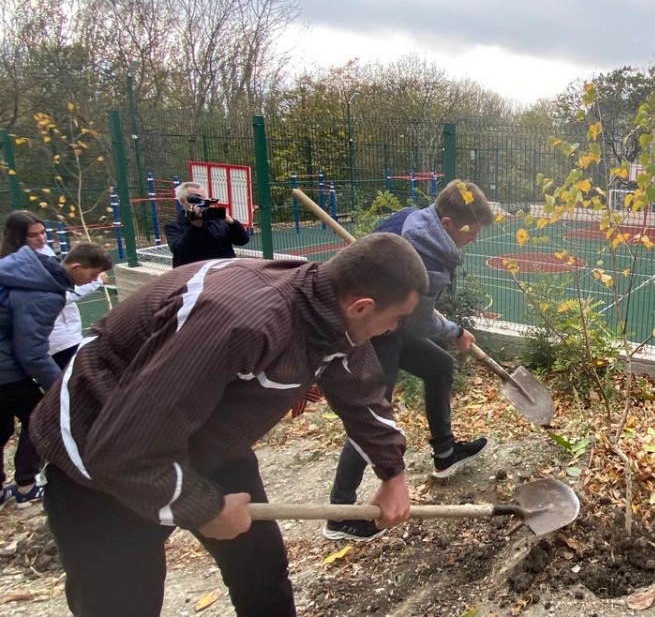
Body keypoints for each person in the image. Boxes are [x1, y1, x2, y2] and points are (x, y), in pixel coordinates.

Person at [29, 233, 428, 616]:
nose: (392, 331)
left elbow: (361, 393)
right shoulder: (241, 321)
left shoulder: (328, 315)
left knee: (262, 570)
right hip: (101, 463)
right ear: (360, 306)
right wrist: (203, 507)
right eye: (395, 320)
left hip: (203, 439)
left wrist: (393, 473)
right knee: (122, 603)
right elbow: (125, 450)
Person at [324, 179, 495, 542]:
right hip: (375, 332)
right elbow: (421, 321)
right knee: (373, 415)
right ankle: (339, 512)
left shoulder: (411, 219)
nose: (474, 239)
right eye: (471, 232)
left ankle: (445, 453)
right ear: (447, 224)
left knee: (439, 366)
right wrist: (456, 331)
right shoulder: (430, 258)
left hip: (394, 327)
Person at [0, 231, 111, 509]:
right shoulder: (44, 295)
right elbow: (33, 353)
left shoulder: (25, 269)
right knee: (38, 417)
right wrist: (63, 388)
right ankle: (26, 486)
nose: (93, 281)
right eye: (92, 274)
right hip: (5, 367)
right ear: (75, 267)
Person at [1, 211, 109, 369]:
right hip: (54, 337)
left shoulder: (45, 252)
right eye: (33, 235)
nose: (41, 238)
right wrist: (95, 282)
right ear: (18, 237)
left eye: (43, 232)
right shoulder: (19, 268)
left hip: (68, 331)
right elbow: (58, 297)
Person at [164, 181, 250, 267]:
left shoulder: (217, 220)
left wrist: (232, 222)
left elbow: (242, 240)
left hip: (224, 272)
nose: (201, 204)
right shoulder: (173, 225)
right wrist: (195, 226)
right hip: (193, 273)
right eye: (196, 199)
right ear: (183, 201)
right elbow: (180, 251)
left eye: (204, 200)